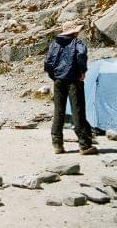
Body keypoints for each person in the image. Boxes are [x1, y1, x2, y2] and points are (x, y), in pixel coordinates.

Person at [44, 19, 97, 155]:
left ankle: (57, 144)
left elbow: (48, 63)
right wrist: (82, 71)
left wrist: (55, 76)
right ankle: (84, 145)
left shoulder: (54, 44)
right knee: (78, 111)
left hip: (59, 81)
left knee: (58, 112)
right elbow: (80, 55)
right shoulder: (77, 43)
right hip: (74, 80)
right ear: (75, 31)